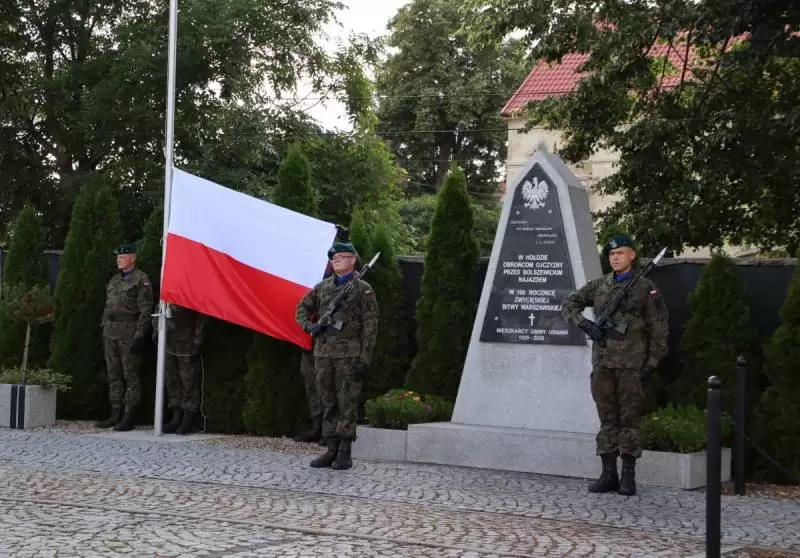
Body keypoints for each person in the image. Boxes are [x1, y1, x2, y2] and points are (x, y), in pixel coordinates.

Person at [562, 234, 669, 496]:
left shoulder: (645, 287)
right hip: (603, 364)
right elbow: (570, 302)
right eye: (611, 254)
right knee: (607, 419)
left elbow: (659, 327)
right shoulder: (600, 285)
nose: (615, 258)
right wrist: (584, 324)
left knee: (629, 420)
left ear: (632, 255)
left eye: (620, 253)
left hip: (632, 365)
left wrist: (652, 362)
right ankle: (608, 474)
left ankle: (628, 476)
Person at [295, 241, 378, 470]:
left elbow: (370, 327)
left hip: (349, 356)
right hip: (323, 354)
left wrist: (364, 358)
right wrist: (308, 326)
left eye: (341, 256)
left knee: (347, 402)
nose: (335, 260)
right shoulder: (323, 287)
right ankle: (330, 448)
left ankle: (344, 451)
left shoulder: (363, 289)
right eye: (333, 258)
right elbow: (302, 307)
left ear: (353, 260)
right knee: (328, 400)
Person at [293, 224, 348, 445]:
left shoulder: (346, 281)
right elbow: (302, 307)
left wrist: (343, 240)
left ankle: (332, 432)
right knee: (312, 385)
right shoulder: (313, 277)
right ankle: (318, 426)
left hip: (333, 344)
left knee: (331, 388)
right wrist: (307, 326)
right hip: (311, 341)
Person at [96, 243, 154, 432]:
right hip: (111, 332)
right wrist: (105, 326)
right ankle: (115, 412)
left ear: (133, 258)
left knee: (130, 375)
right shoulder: (114, 280)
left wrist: (140, 334)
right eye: (118, 257)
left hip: (129, 333)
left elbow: (145, 309)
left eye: (122, 256)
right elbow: (108, 305)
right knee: (114, 374)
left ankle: (129, 415)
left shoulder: (140, 279)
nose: (118, 260)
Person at [153, 303, 208, 435]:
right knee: (171, 380)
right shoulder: (167, 294)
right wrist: (157, 331)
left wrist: (197, 342)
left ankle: (188, 418)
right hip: (169, 343)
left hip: (187, 343)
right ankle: (176, 416)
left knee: (188, 381)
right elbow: (159, 310)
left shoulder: (191, 293)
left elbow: (203, 317)